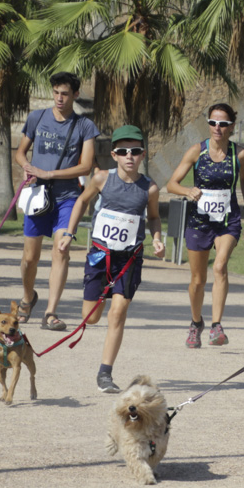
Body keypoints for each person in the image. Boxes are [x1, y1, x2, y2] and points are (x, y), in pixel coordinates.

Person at [59, 125, 164, 393]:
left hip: (129, 259)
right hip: (99, 256)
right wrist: (69, 233)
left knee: (118, 313)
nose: (130, 156)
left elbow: (153, 217)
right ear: (114, 155)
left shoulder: (149, 188)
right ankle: (100, 299)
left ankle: (105, 373)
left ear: (142, 155)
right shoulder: (102, 178)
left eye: (136, 151)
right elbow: (82, 202)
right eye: (123, 151)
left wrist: (157, 238)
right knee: (91, 317)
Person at [15, 72, 100, 331]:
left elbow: (86, 167)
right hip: (38, 196)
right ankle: (28, 298)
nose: (59, 98)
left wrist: (50, 173)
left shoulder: (85, 126)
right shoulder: (37, 118)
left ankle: (51, 313)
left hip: (68, 197)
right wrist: (28, 167)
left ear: (75, 95)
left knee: (61, 250)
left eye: (65, 93)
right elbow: (20, 152)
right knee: (30, 258)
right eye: (56, 92)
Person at [165, 103, 244, 348]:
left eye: (223, 124)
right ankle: (196, 324)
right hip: (199, 222)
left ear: (232, 127)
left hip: (227, 221)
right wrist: (187, 190)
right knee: (197, 280)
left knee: (221, 266)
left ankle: (217, 326)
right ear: (208, 124)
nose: (218, 128)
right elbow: (171, 184)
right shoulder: (197, 152)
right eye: (213, 122)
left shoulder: (240, 155)